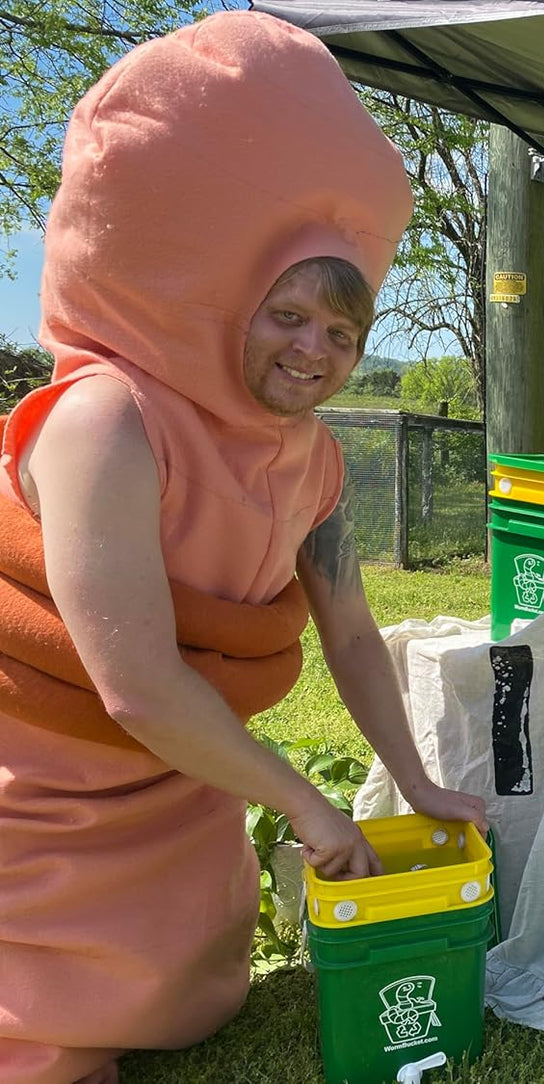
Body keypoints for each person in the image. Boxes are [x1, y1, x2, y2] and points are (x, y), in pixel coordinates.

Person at [0, 13, 487, 1083]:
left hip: (187, 787)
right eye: (289, 315)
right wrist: (305, 803)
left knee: (190, 1005)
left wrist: (412, 780)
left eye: (342, 334)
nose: (314, 351)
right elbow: (130, 683)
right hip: (39, 790)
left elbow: (352, 632)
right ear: (229, 295)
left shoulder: (310, 463)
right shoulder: (106, 417)